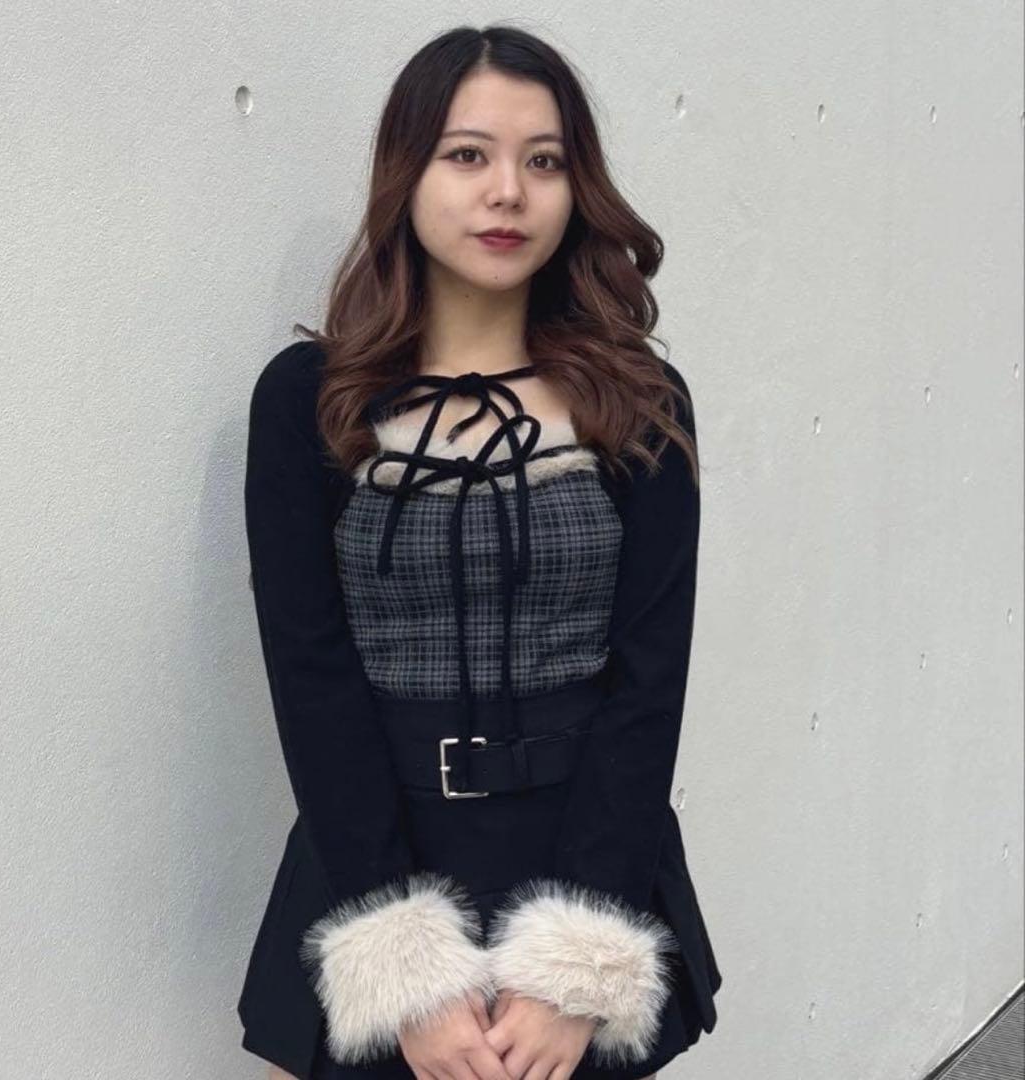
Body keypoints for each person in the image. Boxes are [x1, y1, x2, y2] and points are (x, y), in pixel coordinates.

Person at [236, 22, 722, 1080]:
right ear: (405, 172)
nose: (508, 192)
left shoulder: (637, 400)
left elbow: (649, 685)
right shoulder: (310, 402)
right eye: (468, 155)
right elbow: (310, 676)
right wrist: (408, 972)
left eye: (544, 161)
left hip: (588, 864)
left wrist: (571, 970)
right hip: (372, 870)